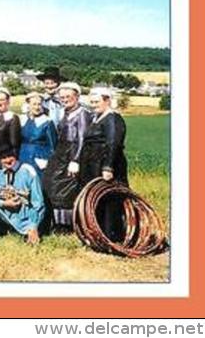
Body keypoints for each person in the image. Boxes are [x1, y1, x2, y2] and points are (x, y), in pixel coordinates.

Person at [80, 87, 128, 241]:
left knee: (109, 199)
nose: (94, 105)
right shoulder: (97, 118)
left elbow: (114, 143)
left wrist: (108, 167)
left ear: (107, 100)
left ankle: (112, 238)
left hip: (106, 165)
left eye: (97, 102)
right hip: (93, 165)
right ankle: (98, 235)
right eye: (92, 102)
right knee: (96, 199)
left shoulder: (113, 118)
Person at [42, 82, 92, 229]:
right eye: (62, 97)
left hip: (72, 153)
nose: (64, 99)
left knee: (66, 189)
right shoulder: (67, 113)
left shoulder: (82, 114)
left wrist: (75, 160)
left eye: (68, 96)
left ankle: (68, 225)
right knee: (53, 185)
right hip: (61, 153)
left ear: (77, 96)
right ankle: (57, 222)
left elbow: (82, 138)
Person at [0, 143, 45, 244]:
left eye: (10, 156)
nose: (7, 160)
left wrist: (33, 226)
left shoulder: (27, 171)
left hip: (24, 219)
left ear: (16, 155)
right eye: (3, 157)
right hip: (1, 216)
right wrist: (2, 203)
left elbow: (38, 203)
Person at [19, 92, 57, 175]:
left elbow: (52, 145)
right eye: (34, 104)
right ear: (28, 105)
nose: (37, 107)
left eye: (39, 104)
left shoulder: (47, 121)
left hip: (39, 158)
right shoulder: (22, 120)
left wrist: (47, 161)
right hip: (23, 156)